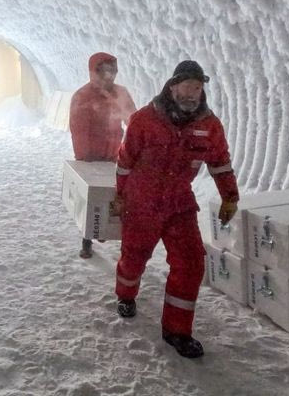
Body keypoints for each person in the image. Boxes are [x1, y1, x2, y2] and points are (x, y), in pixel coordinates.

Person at [112, 60, 239, 359]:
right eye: (187, 86)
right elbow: (125, 160)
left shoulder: (209, 126)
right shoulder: (145, 119)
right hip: (141, 202)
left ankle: (177, 331)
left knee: (191, 262)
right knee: (134, 257)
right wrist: (120, 196)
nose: (192, 93)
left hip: (179, 204)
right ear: (172, 87)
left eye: (198, 88)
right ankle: (125, 295)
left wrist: (230, 197)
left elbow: (220, 163)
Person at [69, 52, 137, 258]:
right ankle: (87, 239)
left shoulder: (121, 94)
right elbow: (79, 130)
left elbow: (133, 121)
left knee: (117, 196)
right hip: (90, 157)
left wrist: (134, 148)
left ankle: (112, 234)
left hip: (115, 155)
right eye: (104, 71)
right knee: (92, 199)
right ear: (94, 72)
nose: (109, 76)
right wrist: (85, 158)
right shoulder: (82, 96)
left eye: (112, 71)